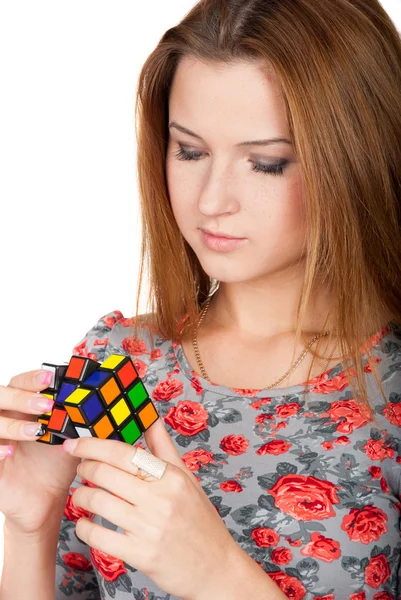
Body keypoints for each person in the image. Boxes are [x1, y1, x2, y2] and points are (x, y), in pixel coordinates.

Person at [1, 0, 401, 598]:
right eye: (189, 151)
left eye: (266, 164)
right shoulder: (119, 363)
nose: (212, 200)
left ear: (358, 158)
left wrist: (217, 575)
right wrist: (29, 528)